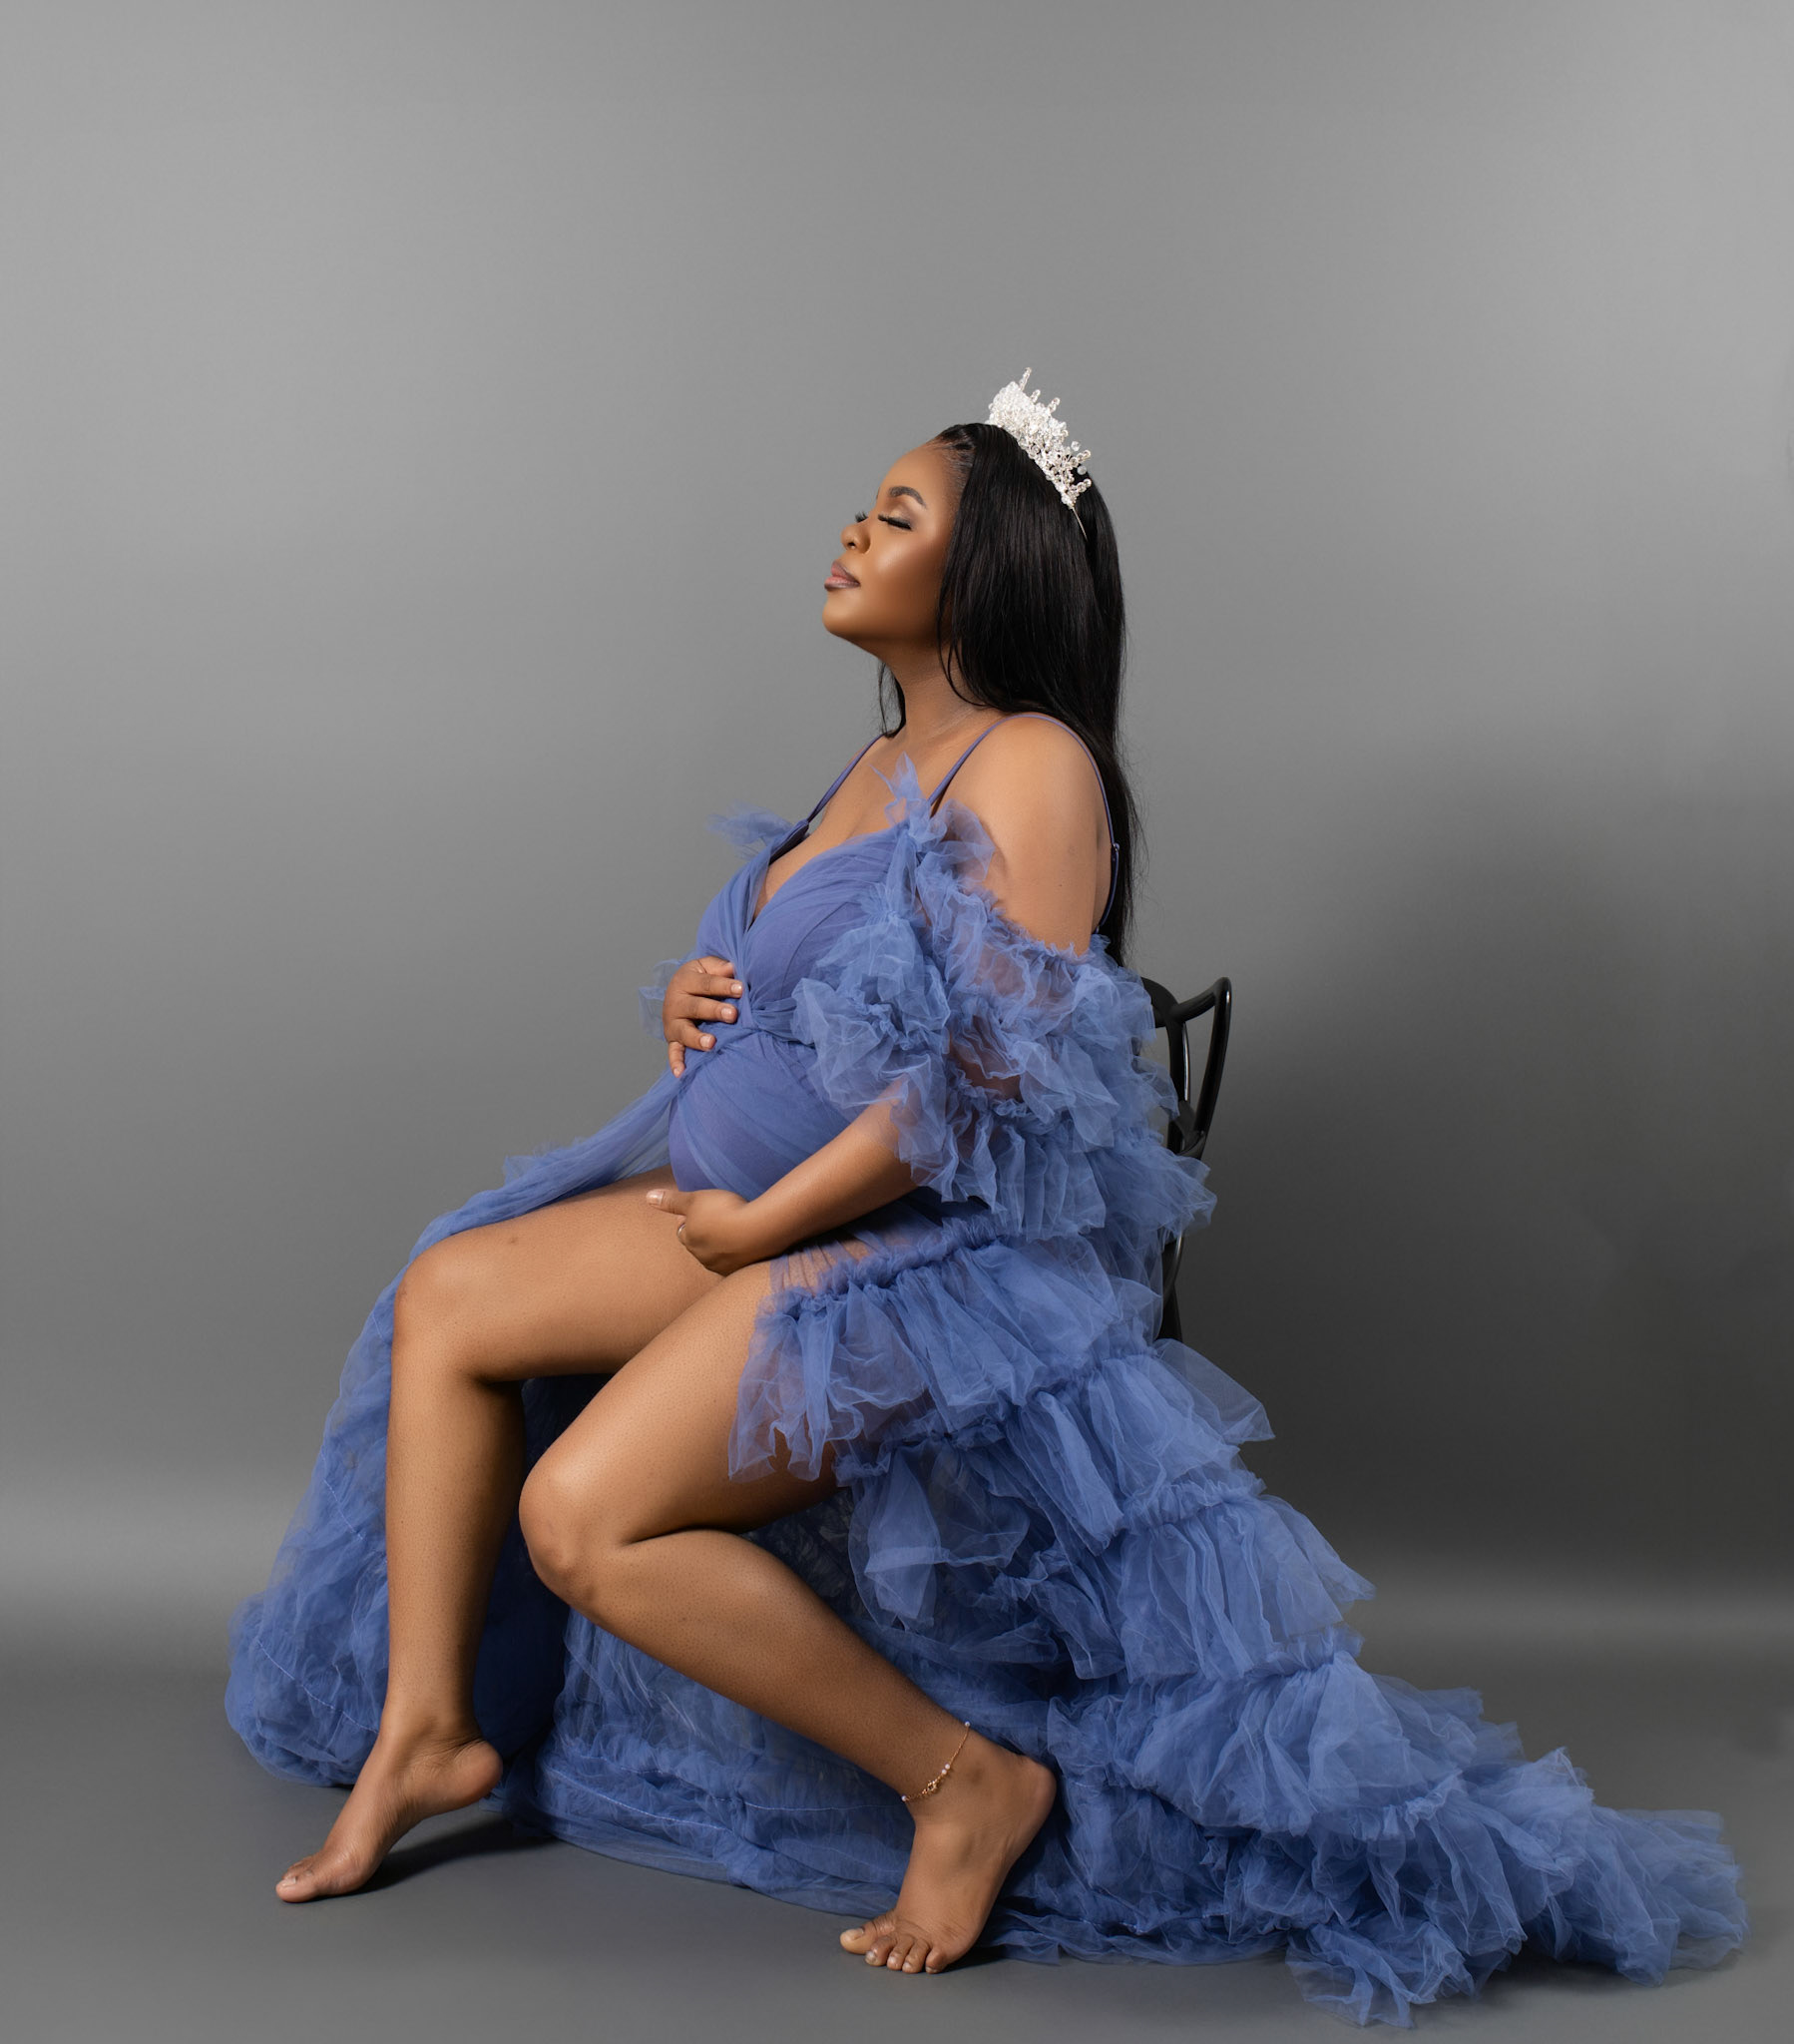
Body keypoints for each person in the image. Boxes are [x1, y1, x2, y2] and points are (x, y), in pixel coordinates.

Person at [228, 373, 1746, 2022]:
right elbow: (818, 992)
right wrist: (693, 997)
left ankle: (965, 1784)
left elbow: (989, 1078)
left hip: (914, 1254)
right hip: (769, 1219)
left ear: (986, 570)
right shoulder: (885, 755)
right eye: (863, 507)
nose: (851, 531)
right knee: (452, 1294)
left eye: (895, 517)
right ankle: (430, 1727)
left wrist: (767, 1220)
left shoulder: (1031, 766)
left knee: (580, 1515)